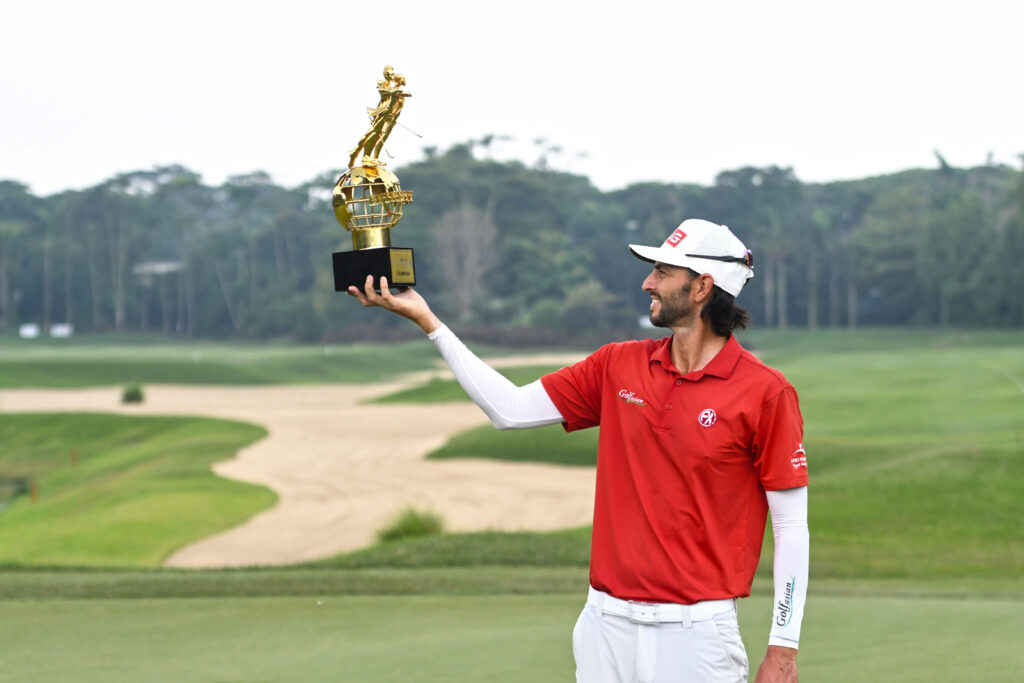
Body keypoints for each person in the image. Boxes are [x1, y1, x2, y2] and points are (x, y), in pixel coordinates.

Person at [348, 218, 809, 683]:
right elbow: (509, 409)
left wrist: (783, 647)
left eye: (663, 272)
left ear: (702, 287)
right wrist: (429, 321)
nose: (647, 282)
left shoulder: (767, 392)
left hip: (696, 638)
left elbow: (790, 527)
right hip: (604, 627)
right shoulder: (618, 364)